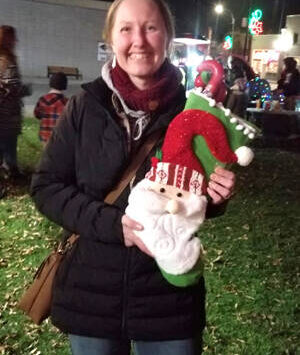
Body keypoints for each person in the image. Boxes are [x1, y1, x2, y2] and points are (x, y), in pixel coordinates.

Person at [30, 0, 236, 354]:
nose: (138, 40)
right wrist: (113, 225)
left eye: (151, 28)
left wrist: (215, 197)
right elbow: (46, 187)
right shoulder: (84, 107)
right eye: (126, 28)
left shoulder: (192, 112)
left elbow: (192, 195)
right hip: (91, 294)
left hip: (167, 296)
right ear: (111, 38)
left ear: (168, 36)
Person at [0, 25, 31, 177]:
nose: (16, 41)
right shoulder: (7, 62)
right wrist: (25, 90)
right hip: (7, 113)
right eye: (13, 38)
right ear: (8, 40)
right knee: (9, 141)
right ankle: (12, 171)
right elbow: (11, 88)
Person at [34, 72, 68, 146]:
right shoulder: (67, 102)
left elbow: (37, 114)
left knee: (47, 155)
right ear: (65, 85)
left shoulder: (43, 99)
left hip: (45, 135)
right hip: (61, 136)